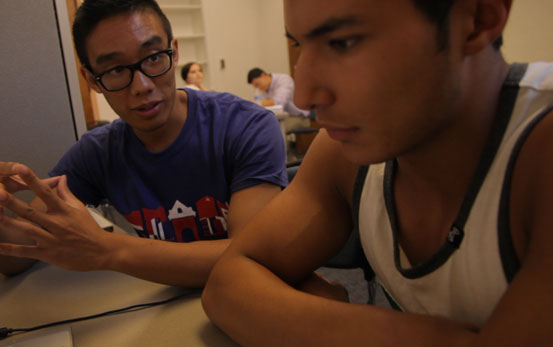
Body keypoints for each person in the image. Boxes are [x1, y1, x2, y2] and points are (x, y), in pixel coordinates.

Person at [202, 0, 553, 345]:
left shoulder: (538, 148)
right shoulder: (343, 153)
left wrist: (293, 319)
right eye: (298, 43)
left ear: (477, 18)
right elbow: (228, 283)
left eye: (343, 43)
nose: (306, 95)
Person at [0, 0, 287, 288]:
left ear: (175, 51)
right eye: (115, 70)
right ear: (91, 80)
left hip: (254, 300)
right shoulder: (98, 153)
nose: (141, 86)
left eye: (153, 58)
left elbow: (251, 257)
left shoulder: (245, 126)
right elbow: (19, 252)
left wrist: (107, 250)